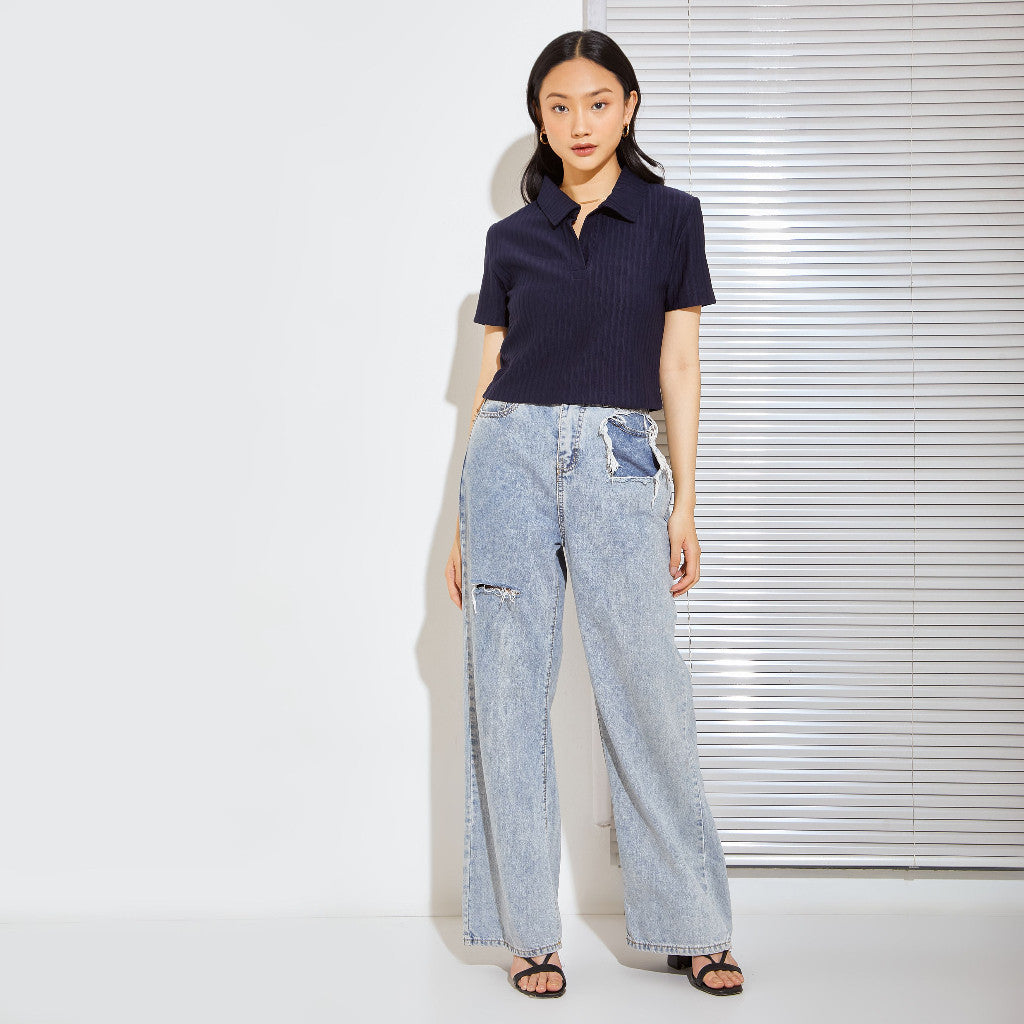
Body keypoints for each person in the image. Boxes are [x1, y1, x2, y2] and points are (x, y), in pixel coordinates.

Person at [444, 29, 745, 1000]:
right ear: (540, 118)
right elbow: (488, 378)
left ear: (629, 107)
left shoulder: (670, 218)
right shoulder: (510, 238)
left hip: (620, 457)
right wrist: (461, 521)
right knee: (506, 694)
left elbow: (679, 364)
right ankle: (527, 933)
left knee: (647, 690)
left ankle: (693, 924)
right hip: (508, 459)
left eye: (598, 102)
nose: (580, 122)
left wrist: (685, 500)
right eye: (559, 105)